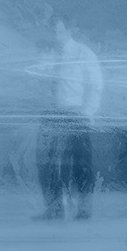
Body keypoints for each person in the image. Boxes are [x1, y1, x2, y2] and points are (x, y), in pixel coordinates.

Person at [36, 14, 103, 221]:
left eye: (59, 31)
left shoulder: (83, 53)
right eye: (53, 31)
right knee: (47, 162)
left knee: (80, 163)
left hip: (76, 113)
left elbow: (95, 85)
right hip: (53, 113)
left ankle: (84, 208)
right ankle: (55, 207)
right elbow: (42, 83)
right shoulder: (49, 54)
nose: (55, 35)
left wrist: (88, 112)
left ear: (69, 31)